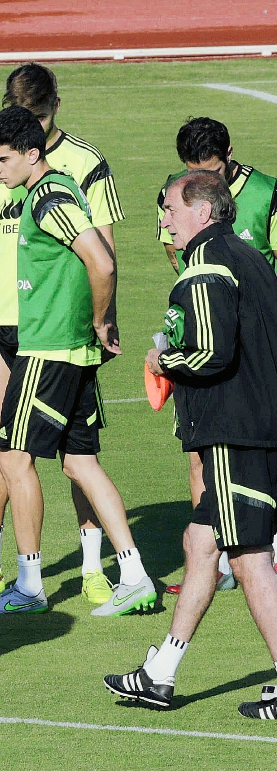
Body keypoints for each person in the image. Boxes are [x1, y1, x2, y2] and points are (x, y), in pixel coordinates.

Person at [0, 106, 156, 617]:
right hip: (72, 351)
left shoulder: (49, 196)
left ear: (33, 154)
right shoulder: (51, 190)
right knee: (79, 462)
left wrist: (99, 320)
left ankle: (30, 585)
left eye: (4, 160)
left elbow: (101, 260)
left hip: (50, 349)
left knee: (13, 456)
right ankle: (135, 574)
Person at [105, 171, 277, 715]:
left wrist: (162, 360)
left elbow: (209, 353)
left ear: (202, 212)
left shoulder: (203, 270)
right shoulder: (254, 261)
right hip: (260, 425)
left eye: (170, 210)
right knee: (200, 543)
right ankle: (160, 673)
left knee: (249, 557)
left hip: (233, 433)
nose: (163, 222)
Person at [155, 118, 277, 595]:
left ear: (229, 152)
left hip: (255, 346)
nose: (208, 175)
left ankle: (250, 555)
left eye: (212, 167)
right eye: (194, 168)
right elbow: (176, 254)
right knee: (199, 451)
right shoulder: (177, 196)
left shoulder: (266, 193)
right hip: (211, 327)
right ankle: (220, 560)